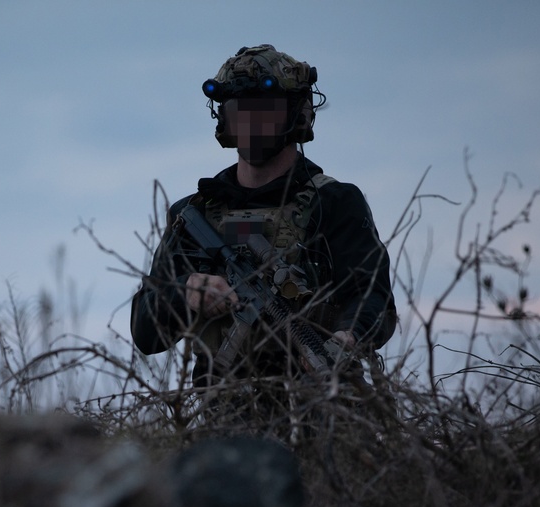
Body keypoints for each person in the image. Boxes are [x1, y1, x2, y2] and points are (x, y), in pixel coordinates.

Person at [130, 45, 396, 417]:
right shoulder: (193, 215)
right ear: (224, 118)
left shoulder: (334, 202)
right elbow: (145, 333)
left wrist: (344, 341)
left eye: (265, 111)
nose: (252, 124)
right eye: (241, 112)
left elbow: (375, 301)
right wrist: (185, 294)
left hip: (322, 409)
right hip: (225, 417)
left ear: (296, 115)